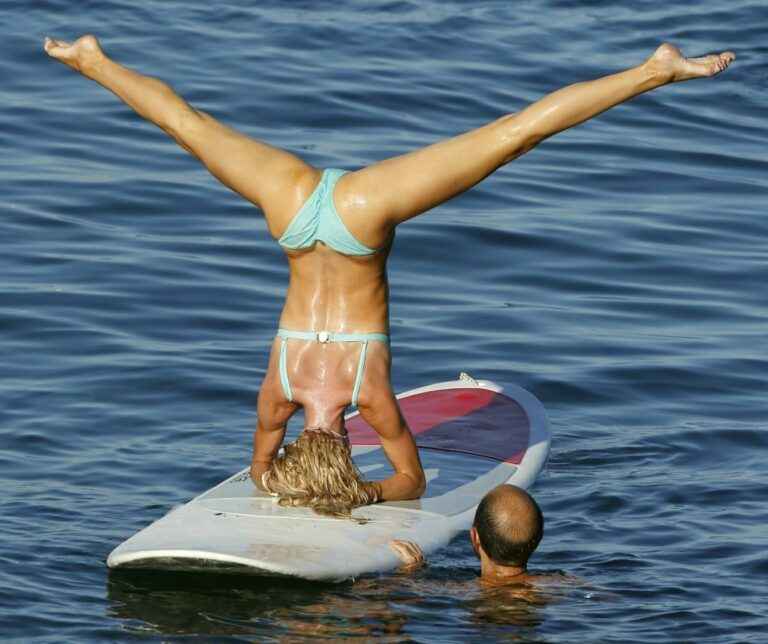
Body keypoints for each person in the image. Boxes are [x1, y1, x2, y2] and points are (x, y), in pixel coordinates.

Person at [44, 35, 734, 515]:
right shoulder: (273, 402)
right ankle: (93, 61)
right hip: (293, 211)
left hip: (358, 223)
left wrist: (362, 495)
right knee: (189, 126)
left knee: (512, 137)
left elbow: (409, 480)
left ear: (346, 447)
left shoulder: (369, 401)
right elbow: (259, 472)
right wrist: (291, 481)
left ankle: (655, 71)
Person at [391, 484, 545, 584]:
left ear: (475, 537)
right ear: (538, 538)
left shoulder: (462, 590)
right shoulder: (559, 584)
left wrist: (413, 571)